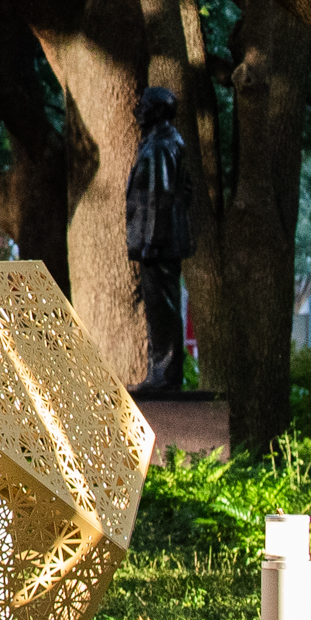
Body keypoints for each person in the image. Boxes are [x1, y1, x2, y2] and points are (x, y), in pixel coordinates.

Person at [126, 83, 196, 400]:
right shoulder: (161, 143)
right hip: (159, 241)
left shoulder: (163, 146)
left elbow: (161, 196)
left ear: (158, 110)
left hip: (158, 243)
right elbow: (186, 191)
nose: (138, 111)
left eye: (144, 106)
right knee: (159, 308)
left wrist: (152, 241)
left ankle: (165, 374)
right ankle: (161, 372)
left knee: (163, 308)